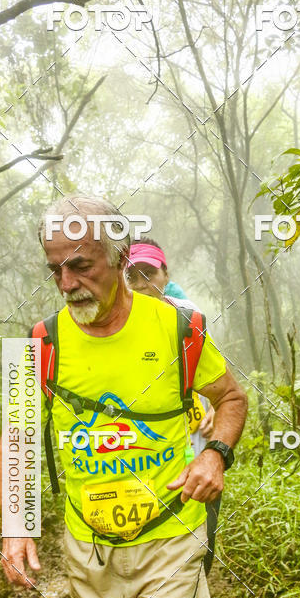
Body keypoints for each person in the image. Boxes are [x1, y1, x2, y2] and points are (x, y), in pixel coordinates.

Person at [0, 196, 248, 598]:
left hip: (170, 531)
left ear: (119, 256)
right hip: (89, 542)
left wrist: (215, 455)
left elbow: (231, 398)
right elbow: (18, 431)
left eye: (80, 266)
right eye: (55, 269)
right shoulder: (40, 342)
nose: (66, 284)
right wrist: (16, 524)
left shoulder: (178, 328)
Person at [124, 239, 220, 576]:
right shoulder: (112, 324)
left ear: (165, 274)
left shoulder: (188, 317)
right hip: (142, 452)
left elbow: (218, 381)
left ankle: (196, 589)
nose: (140, 284)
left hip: (195, 443)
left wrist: (214, 409)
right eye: (131, 276)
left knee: (202, 533)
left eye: (148, 274)